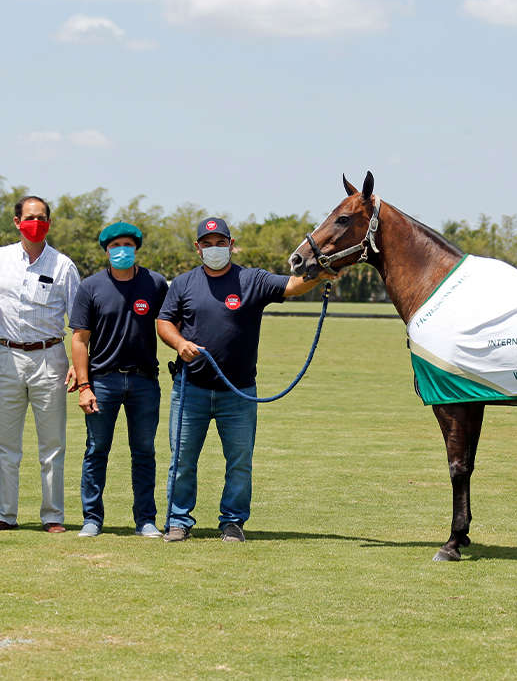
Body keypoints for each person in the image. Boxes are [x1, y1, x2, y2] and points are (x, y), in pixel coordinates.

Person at [155, 217, 334, 542]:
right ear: (198, 248)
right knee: (181, 461)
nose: (214, 249)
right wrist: (179, 343)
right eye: (207, 244)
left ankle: (233, 522)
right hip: (190, 388)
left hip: (238, 392)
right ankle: (179, 521)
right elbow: (164, 322)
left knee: (239, 462)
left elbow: (292, 286)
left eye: (220, 242)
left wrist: (320, 274)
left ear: (231, 244)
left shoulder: (252, 280)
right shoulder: (183, 283)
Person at [0, 195, 80, 534]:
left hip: (50, 357)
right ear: (16, 222)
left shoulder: (63, 266)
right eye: (29, 217)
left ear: (49, 224)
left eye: (41, 218)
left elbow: (80, 321)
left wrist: (79, 367)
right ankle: (5, 514)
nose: (35, 223)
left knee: (52, 444)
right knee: (5, 443)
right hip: (8, 355)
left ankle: (53, 515)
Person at [69, 222, 168, 538]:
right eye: (114, 246)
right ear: (106, 250)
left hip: (144, 382)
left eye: (127, 244)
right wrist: (84, 386)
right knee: (97, 451)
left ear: (136, 248)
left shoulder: (155, 284)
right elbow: (80, 339)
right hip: (103, 382)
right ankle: (92, 519)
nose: (121, 250)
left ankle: (146, 520)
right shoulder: (91, 287)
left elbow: (170, 324)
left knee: (144, 452)